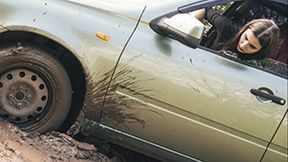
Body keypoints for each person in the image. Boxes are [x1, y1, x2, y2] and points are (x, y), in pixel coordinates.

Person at [189, 8, 280, 60]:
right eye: (245, 37)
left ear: (261, 50)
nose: (244, 45)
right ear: (244, 30)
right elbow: (204, 8)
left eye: (252, 46)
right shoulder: (228, 28)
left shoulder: (260, 63)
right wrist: (188, 25)